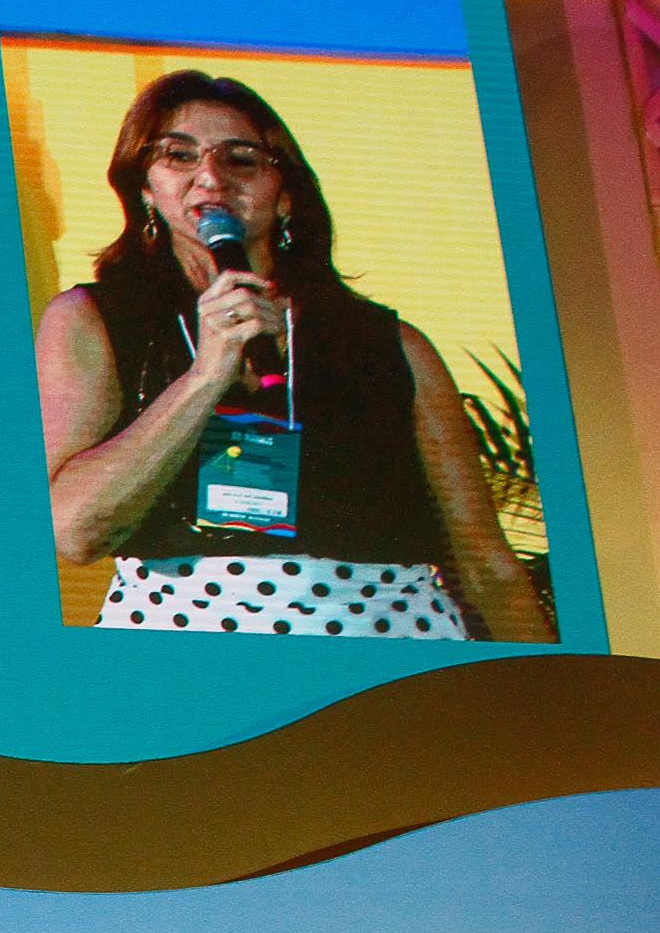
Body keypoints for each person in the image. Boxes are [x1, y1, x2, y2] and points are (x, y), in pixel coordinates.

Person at [39, 69, 551, 642]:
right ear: (145, 189)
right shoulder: (93, 321)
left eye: (242, 160)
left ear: (285, 198)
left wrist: (552, 721)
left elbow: (486, 566)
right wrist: (206, 376)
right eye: (179, 157)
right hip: (184, 652)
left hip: (389, 650)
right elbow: (74, 532)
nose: (210, 176)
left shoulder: (393, 347)